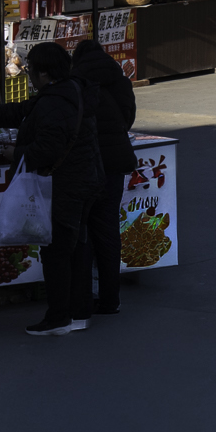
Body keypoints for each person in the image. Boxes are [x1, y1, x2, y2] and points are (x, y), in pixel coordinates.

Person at [0, 41, 102, 337]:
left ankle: (58, 317)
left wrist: (15, 153)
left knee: (57, 253)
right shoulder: (72, 89)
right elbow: (27, 109)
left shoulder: (54, 100)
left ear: (41, 74)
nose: (28, 75)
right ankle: (79, 313)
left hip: (66, 184)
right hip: (85, 178)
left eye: (30, 71)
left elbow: (47, 148)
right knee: (77, 249)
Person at [69, 37, 137, 315]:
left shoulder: (76, 86)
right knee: (108, 231)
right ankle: (111, 299)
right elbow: (128, 118)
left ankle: (82, 298)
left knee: (82, 232)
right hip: (116, 163)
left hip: (87, 164)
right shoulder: (121, 82)